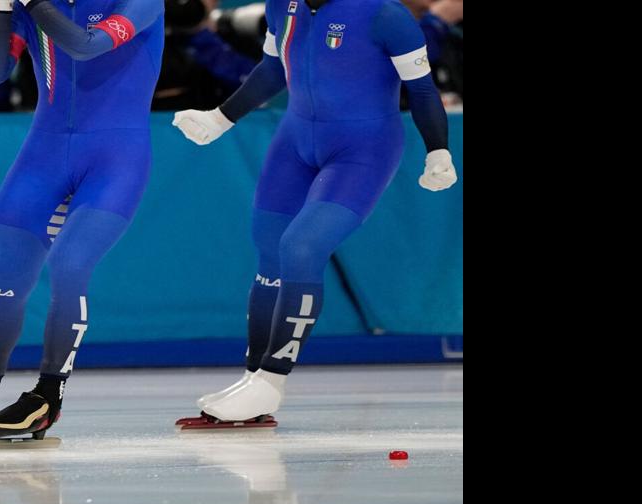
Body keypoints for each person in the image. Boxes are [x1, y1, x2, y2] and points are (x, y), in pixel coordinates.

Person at [170, 0, 456, 426]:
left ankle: (271, 380)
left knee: (301, 247)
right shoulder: (282, 6)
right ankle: (253, 378)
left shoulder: (383, 14)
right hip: (295, 141)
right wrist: (221, 118)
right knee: (269, 249)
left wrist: (438, 150)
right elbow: (271, 69)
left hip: (363, 150)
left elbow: (421, 88)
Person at [0, 0, 164, 442]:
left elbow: (86, 47)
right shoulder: (32, 10)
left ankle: (48, 395)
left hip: (115, 156)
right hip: (44, 151)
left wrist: (31, 3)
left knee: (69, 264)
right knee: (8, 263)